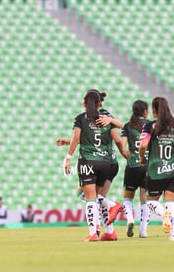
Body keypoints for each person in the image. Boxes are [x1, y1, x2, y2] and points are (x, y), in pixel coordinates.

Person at [56, 89, 123, 237]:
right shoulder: (106, 117)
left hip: (89, 162)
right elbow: (116, 133)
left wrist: (68, 157)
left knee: (90, 198)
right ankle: (109, 231)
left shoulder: (81, 118)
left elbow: (77, 138)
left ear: (86, 102)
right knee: (96, 197)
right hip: (106, 162)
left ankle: (94, 231)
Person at [138, 97, 174, 242]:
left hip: (156, 171)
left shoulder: (150, 126)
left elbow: (142, 145)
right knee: (171, 203)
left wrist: (142, 158)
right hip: (173, 170)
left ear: (154, 111)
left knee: (150, 202)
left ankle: (163, 213)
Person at [120, 100, 151, 238]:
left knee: (127, 197)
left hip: (133, 165)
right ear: (145, 111)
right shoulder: (150, 125)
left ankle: (130, 220)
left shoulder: (128, 126)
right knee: (145, 199)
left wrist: (125, 153)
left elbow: (122, 144)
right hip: (148, 165)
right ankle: (143, 231)